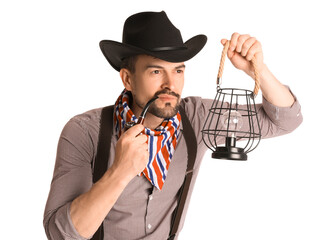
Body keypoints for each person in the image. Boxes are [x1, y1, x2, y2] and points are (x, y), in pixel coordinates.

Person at [43, 11, 303, 240]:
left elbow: (285, 121)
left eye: (178, 70)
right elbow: (60, 234)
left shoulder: (197, 118)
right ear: (127, 79)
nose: (171, 84)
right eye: (156, 72)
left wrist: (258, 70)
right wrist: (120, 172)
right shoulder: (85, 131)